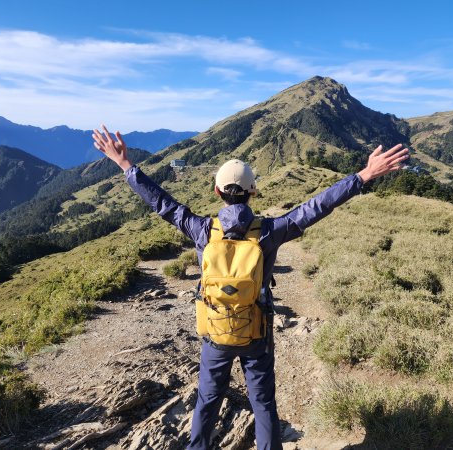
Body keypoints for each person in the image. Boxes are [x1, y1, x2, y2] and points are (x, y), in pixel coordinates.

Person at [92, 125, 408, 450]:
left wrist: (126, 166)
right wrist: (364, 175)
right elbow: (317, 207)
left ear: (217, 192)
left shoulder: (202, 230)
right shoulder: (271, 231)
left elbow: (164, 204)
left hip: (215, 332)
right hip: (256, 332)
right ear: (252, 191)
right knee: (263, 403)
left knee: (208, 399)